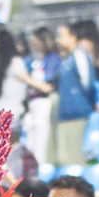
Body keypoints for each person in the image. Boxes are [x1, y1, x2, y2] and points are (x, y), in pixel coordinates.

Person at [51, 23, 96, 167]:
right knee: (66, 156)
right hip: (67, 113)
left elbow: (87, 82)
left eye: (62, 36)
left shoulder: (79, 55)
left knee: (75, 156)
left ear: (73, 37)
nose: (58, 40)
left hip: (77, 112)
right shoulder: (67, 59)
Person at [19, 27, 61, 166]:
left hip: (43, 103)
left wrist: (27, 79)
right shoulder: (36, 60)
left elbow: (47, 86)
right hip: (32, 104)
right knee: (30, 141)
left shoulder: (53, 59)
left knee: (40, 142)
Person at [0, 29, 30, 120]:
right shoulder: (0, 66)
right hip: (1, 109)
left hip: (13, 110)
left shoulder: (15, 62)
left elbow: (26, 79)